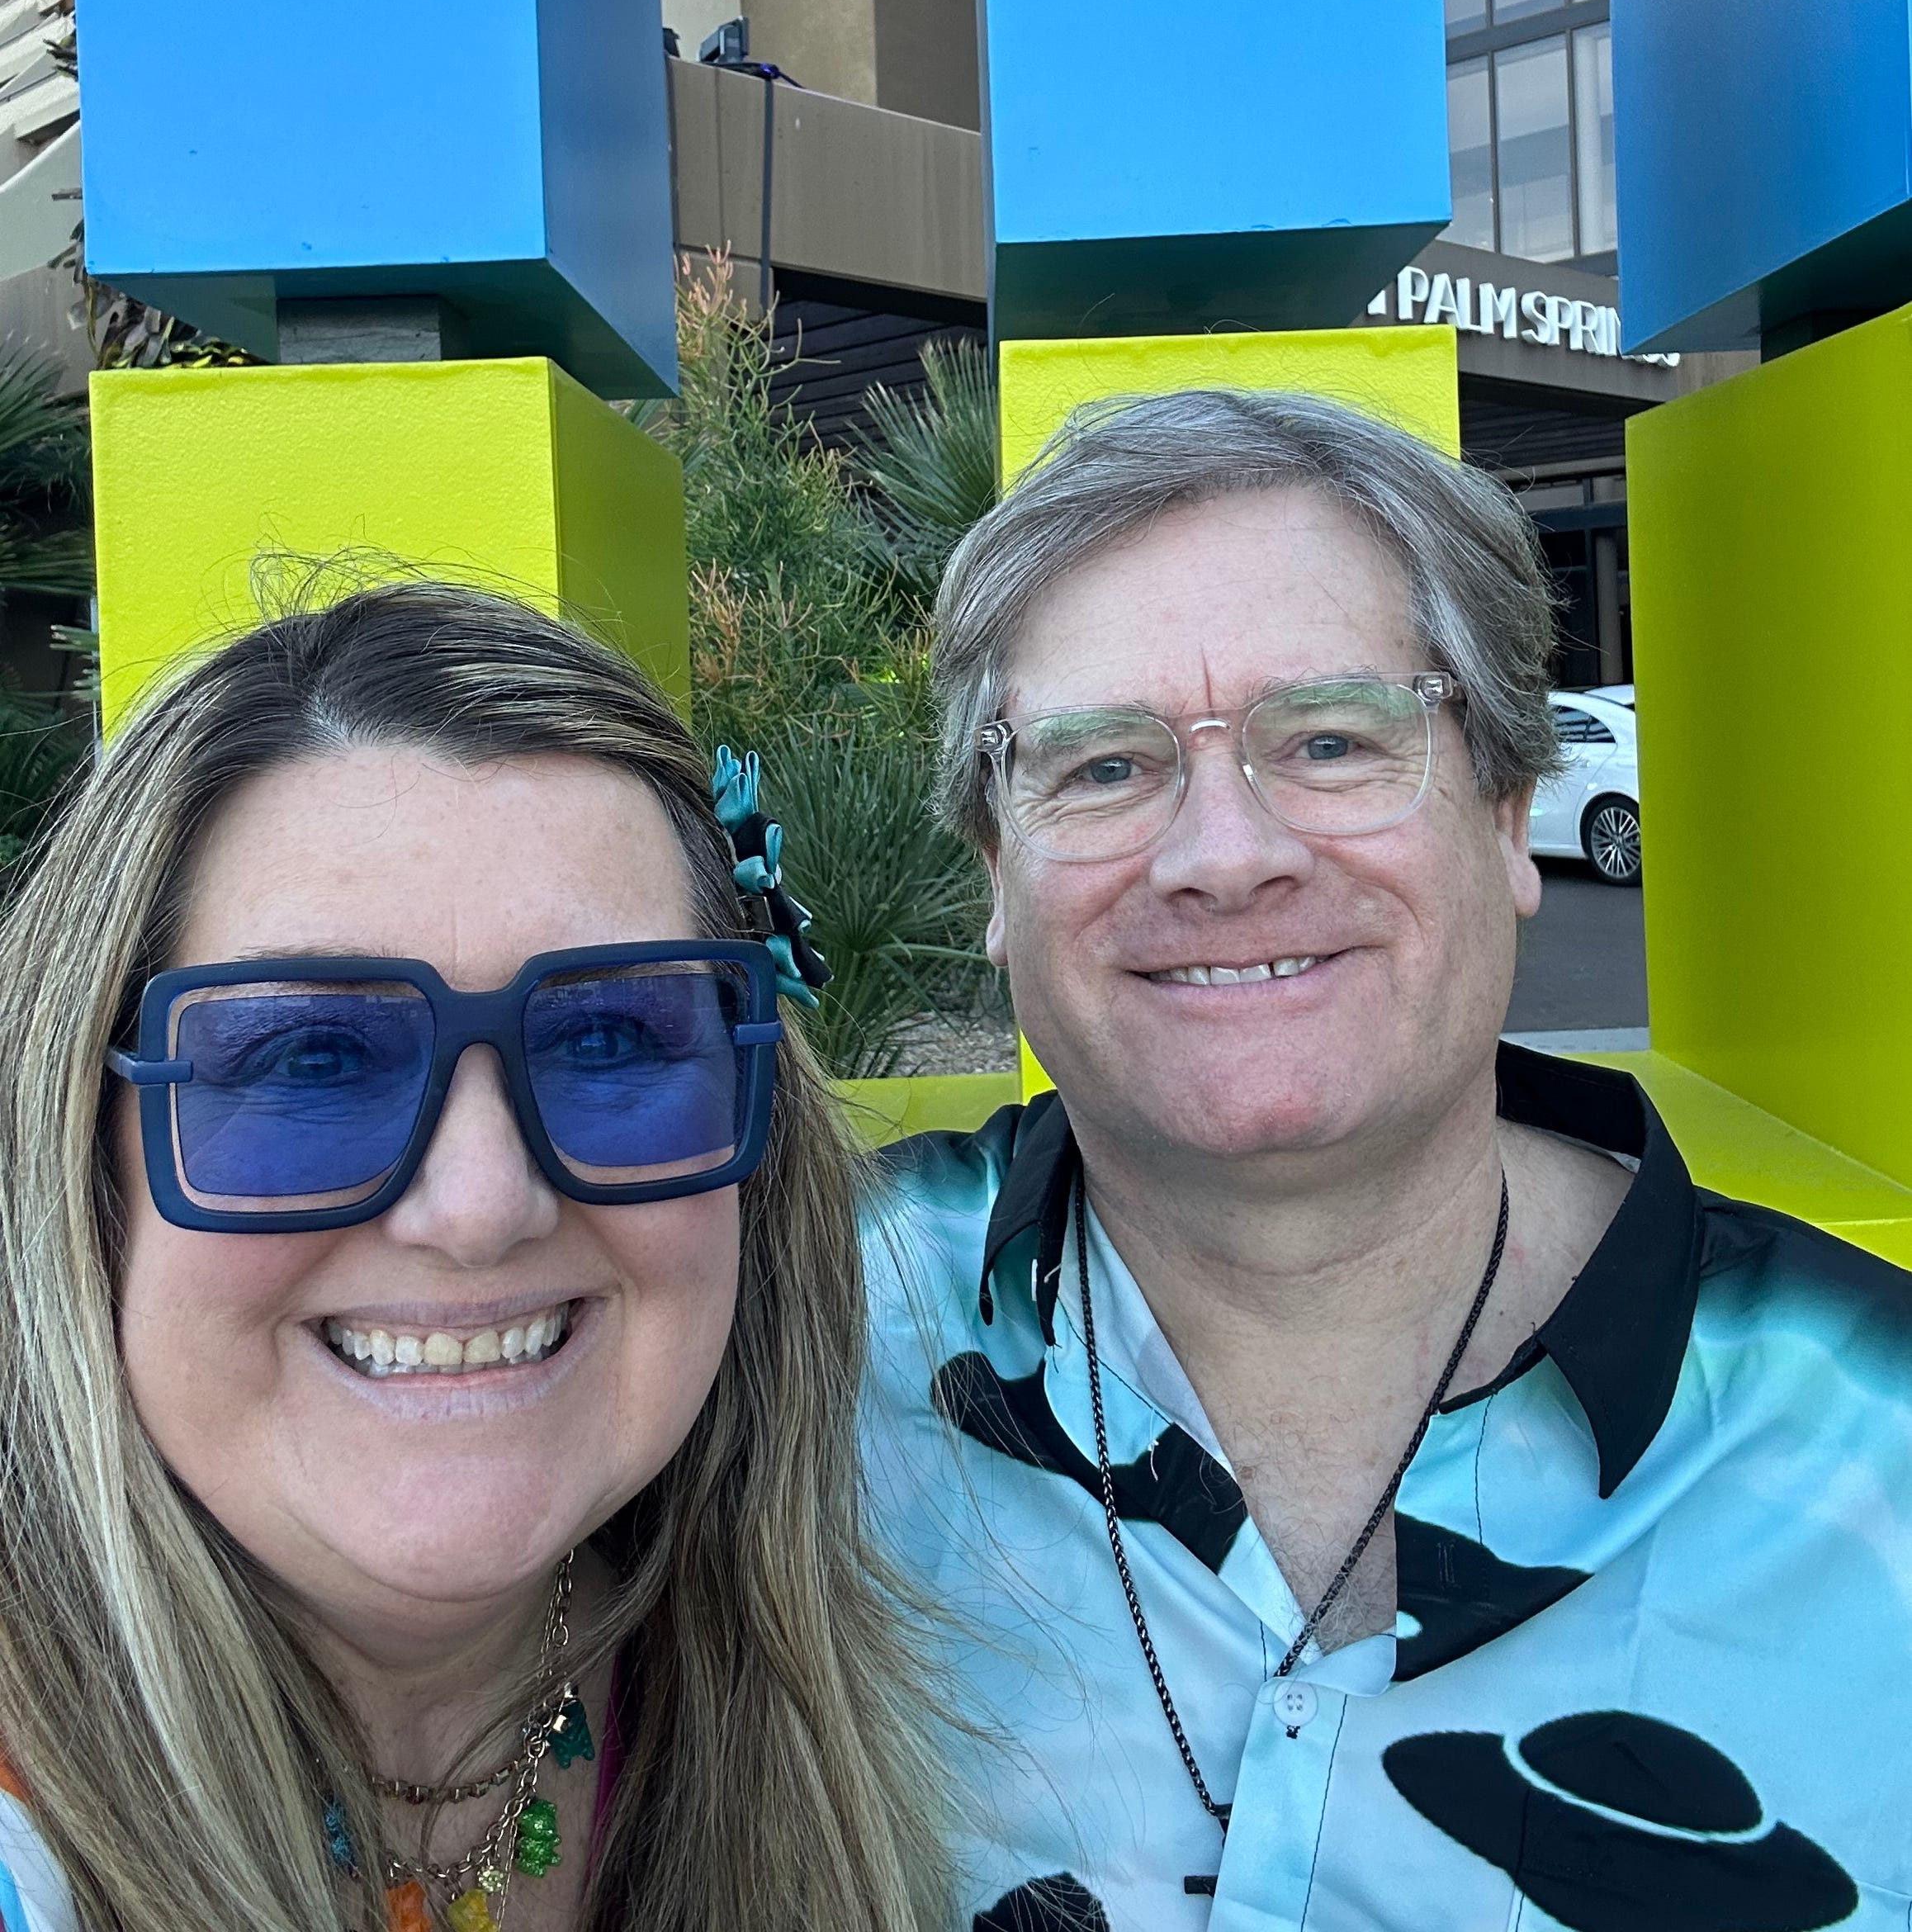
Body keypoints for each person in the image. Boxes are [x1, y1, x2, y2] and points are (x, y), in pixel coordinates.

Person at [861, 387, 1912, 1931]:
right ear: (995, 877)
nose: (1224, 856)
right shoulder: (782, 1352)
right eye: (1103, 769)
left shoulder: (1879, 1432)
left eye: (1333, 741)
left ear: (1507, 810)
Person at [0, 583, 947, 1932]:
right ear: (85, 1162)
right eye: (311, 1057)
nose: (481, 1205)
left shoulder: (817, 1718)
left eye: (609, 1039)